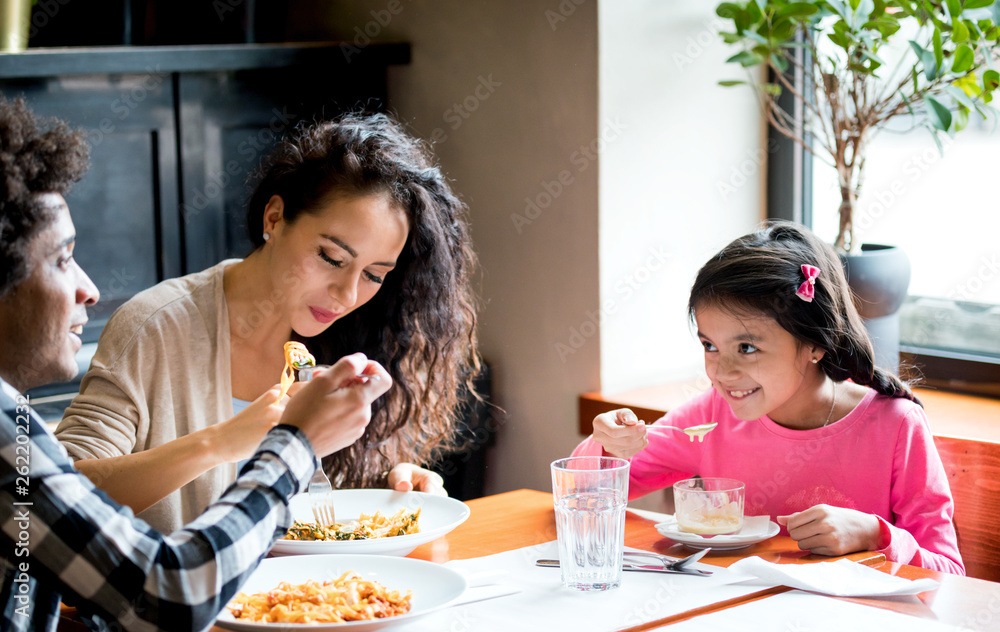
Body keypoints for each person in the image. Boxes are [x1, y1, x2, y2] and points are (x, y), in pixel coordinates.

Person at [0, 95, 392, 631]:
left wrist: (395, 491)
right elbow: (167, 592)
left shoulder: (334, 337)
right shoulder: (11, 434)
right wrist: (276, 445)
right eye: (63, 258)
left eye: (374, 273)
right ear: (273, 218)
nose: (90, 290)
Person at [55, 112, 480, 533]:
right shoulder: (156, 326)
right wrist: (220, 442)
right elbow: (56, 500)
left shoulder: (351, 338)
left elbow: (318, 510)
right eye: (331, 258)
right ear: (274, 218)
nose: (347, 295)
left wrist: (390, 483)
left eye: (373, 275)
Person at [575, 221, 964, 575]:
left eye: (746, 348)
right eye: (710, 345)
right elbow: (583, 493)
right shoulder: (713, 415)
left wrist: (876, 536)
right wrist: (610, 443)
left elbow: (949, 574)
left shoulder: (896, 426)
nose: (722, 372)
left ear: (814, 342)